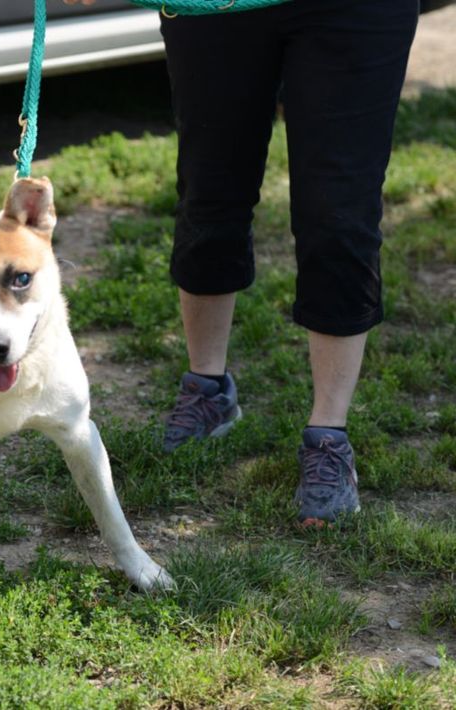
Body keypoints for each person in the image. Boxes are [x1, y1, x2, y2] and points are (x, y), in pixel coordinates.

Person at [156, 0, 419, 527]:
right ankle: (208, 389)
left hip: (355, 12)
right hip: (219, 5)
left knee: (338, 213)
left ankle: (329, 436)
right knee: (209, 192)